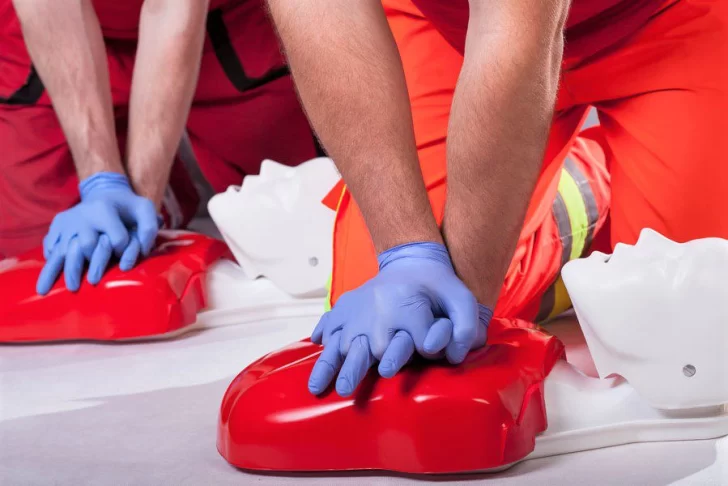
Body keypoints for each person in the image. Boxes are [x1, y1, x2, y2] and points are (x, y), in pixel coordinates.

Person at [265, 0, 727, 397]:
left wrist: (471, 299)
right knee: (404, 338)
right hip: (450, 29)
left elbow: (517, 28)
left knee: (688, 335)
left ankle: (599, 177)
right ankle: (587, 192)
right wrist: (406, 251)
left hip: (668, 17)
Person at [0, 0, 323, 293]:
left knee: (304, 231)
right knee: (41, 267)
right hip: (50, 31)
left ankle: (163, 188)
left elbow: (171, 7)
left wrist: (141, 205)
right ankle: (170, 188)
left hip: (223, 19)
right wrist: (100, 179)